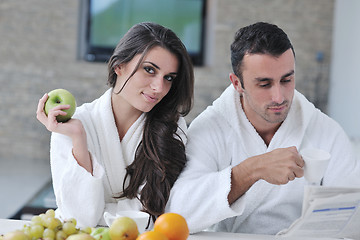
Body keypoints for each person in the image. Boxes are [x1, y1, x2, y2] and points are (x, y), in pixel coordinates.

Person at [166, 22, 360, 235]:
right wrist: (252, 169)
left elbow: (353, 216)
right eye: (264, 84)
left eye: (287, 80)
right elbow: (179, 213)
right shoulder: (210, 128)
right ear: (237, 83)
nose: (279, 97)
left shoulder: (326, 131)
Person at [36, 22, 194, 228]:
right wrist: (79, 140)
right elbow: (78, 219)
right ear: (119, 65)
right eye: (149, 70)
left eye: (169, 78)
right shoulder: (74, 126)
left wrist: (101, 212)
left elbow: (156, 212)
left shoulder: (171, 127)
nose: (159, 87)